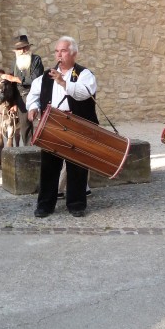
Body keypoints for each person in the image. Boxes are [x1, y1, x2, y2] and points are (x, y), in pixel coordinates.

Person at [26, 36, 97, 218]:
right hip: (52, 125)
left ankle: (76, 204)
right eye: (57, 51)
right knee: (49, 167)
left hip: (77, 125)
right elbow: (33, 94)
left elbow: (85, 93)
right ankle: (45, 205)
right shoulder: (46, 76)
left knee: (77, 167)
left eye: (63, 51)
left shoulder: (84, 74)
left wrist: (64, 82)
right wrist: (32, 108)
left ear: (74, 53)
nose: (59, 54)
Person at [12, 35, 44, 145]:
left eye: (25, 47)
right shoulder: (15, 63)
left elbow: (35, 79)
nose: (23, 50)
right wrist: (13, 103)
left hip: (36, 96)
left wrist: (18, 79)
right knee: (25, 130)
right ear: (16, 51)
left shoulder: (36, 60)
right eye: (20, 49)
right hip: (20, 98)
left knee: (42, 127)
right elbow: (13, 85)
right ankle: (29, 153)